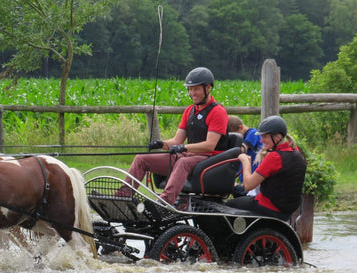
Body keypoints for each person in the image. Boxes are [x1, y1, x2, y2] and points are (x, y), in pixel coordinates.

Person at [115, 67, 229, 206]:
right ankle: (122, 197)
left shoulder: (217, 112)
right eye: (190, 89)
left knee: (182, 162)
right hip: (189, 156)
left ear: (208, 87)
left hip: (209, 159)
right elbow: (176, 141)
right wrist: (161, 144)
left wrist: (184, 147)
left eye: (196, 89)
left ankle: (164, 203)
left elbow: (209, 145)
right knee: (141, 159)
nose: (192, 93)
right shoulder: (189, 111)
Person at [226, 115, 306, 220]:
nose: (261, 140)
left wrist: (245, 162)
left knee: (227, 206)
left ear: (277, 137)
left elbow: (248, 186)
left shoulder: (275, 157)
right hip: (288, 208)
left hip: (269, 206)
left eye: (264, 137)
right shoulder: (296, 152)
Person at [228, 115, 263, 195]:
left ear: (241, 127)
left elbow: (242, 149)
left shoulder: (253, 133)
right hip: (246, 179)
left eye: (235, 135)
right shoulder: (242, 137)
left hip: (255, 179)